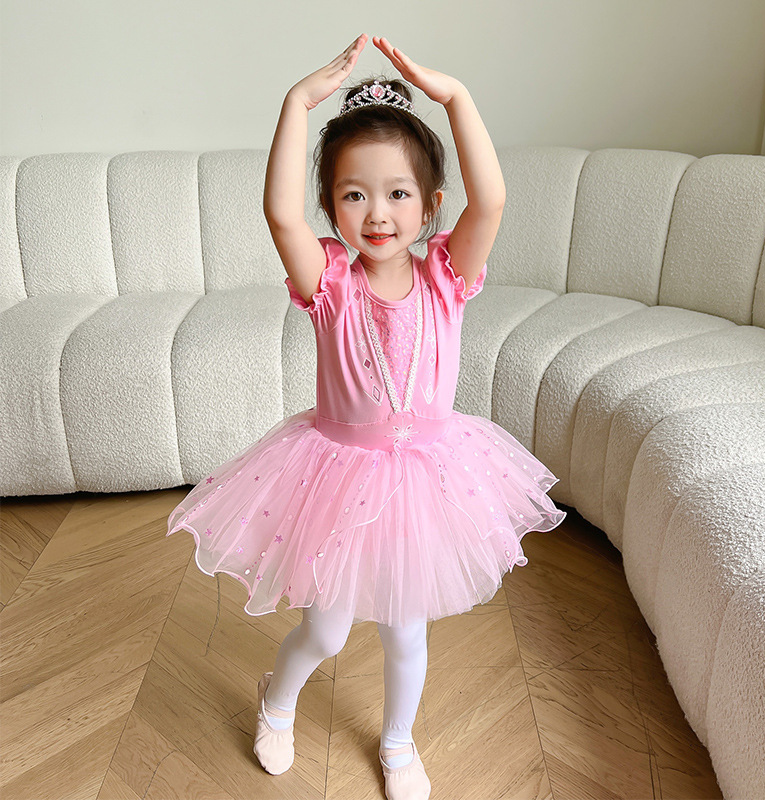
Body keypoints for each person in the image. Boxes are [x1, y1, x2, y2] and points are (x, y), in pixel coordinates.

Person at [166, 33, 567, 800]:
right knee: (325, 628)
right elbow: (278, 214)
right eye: (354, 195)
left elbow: (493, 200)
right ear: (331, 207)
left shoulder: (448, 274)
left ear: (431, 205)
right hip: (338, 476)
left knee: (406, 632)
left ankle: (398, 742)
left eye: (398, 194)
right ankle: (276, 701)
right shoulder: (329, 281)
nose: (377, 213)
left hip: (428, 480)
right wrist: (296, 103)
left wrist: (457, 98)